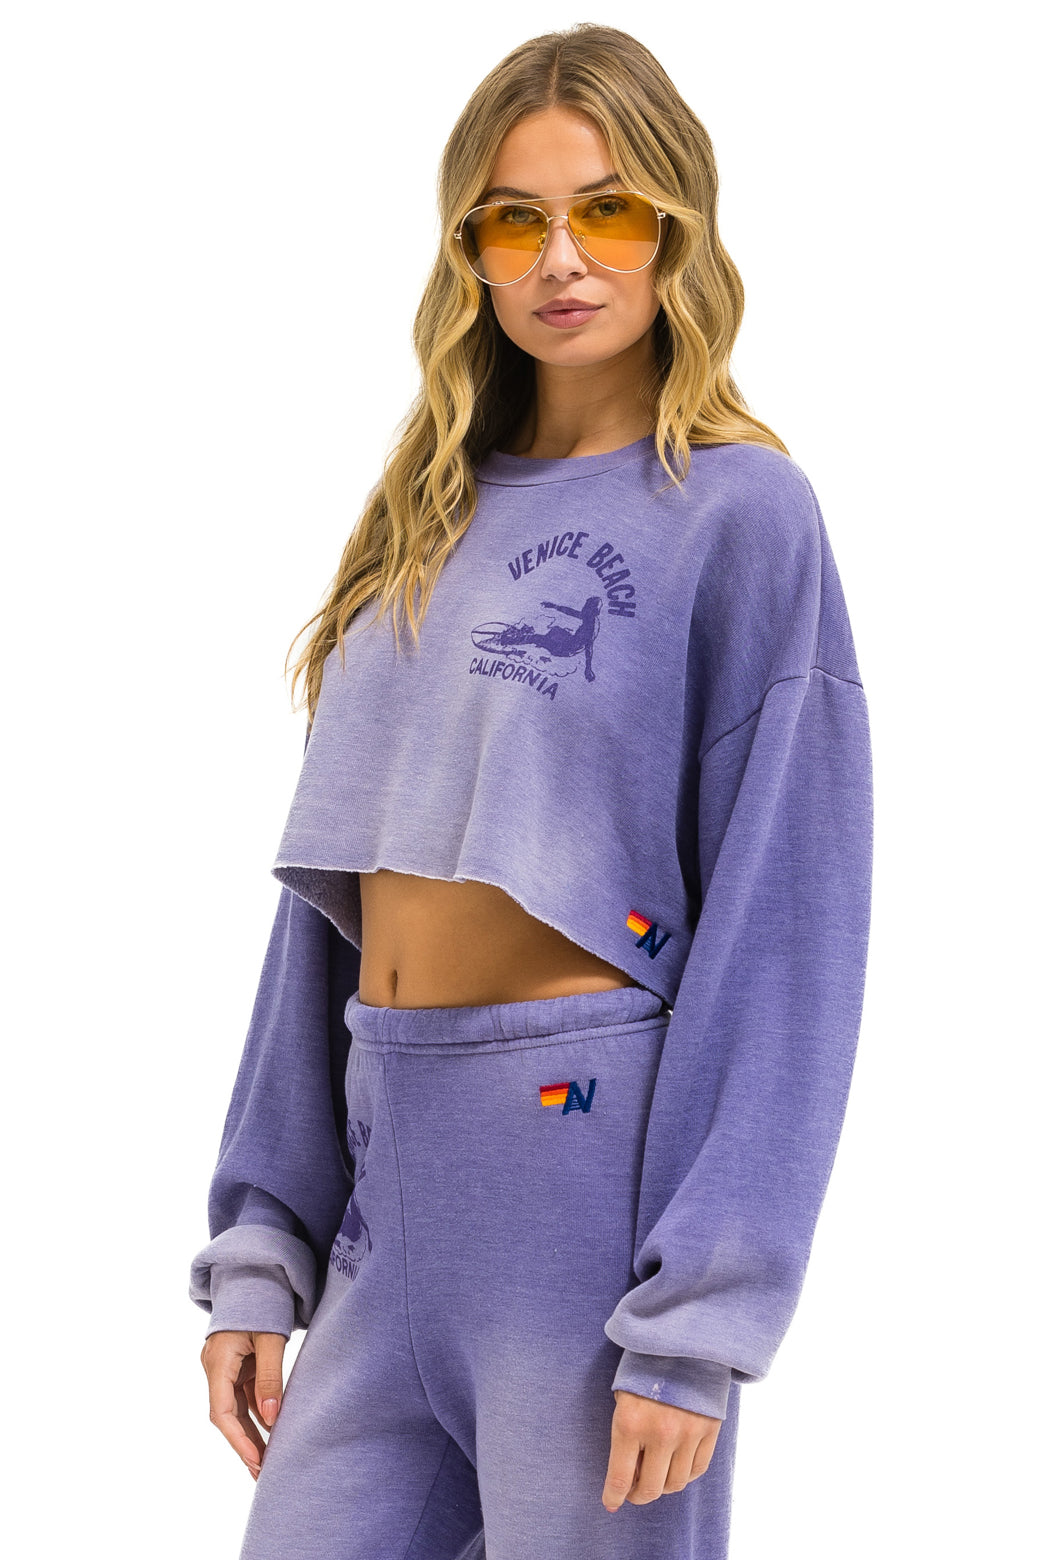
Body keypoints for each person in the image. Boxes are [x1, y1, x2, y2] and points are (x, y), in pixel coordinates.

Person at [188, 22, 873, 1560]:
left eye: (606, 210)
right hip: (384, 1200)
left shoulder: (738, 512)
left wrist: (700, 1322)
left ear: (677, 226)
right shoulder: (420, 514)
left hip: (580, 1197)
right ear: (472, 254)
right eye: (516, 220)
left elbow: (788, 928)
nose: (563, 257)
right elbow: (332, 901)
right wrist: (263, 1237)